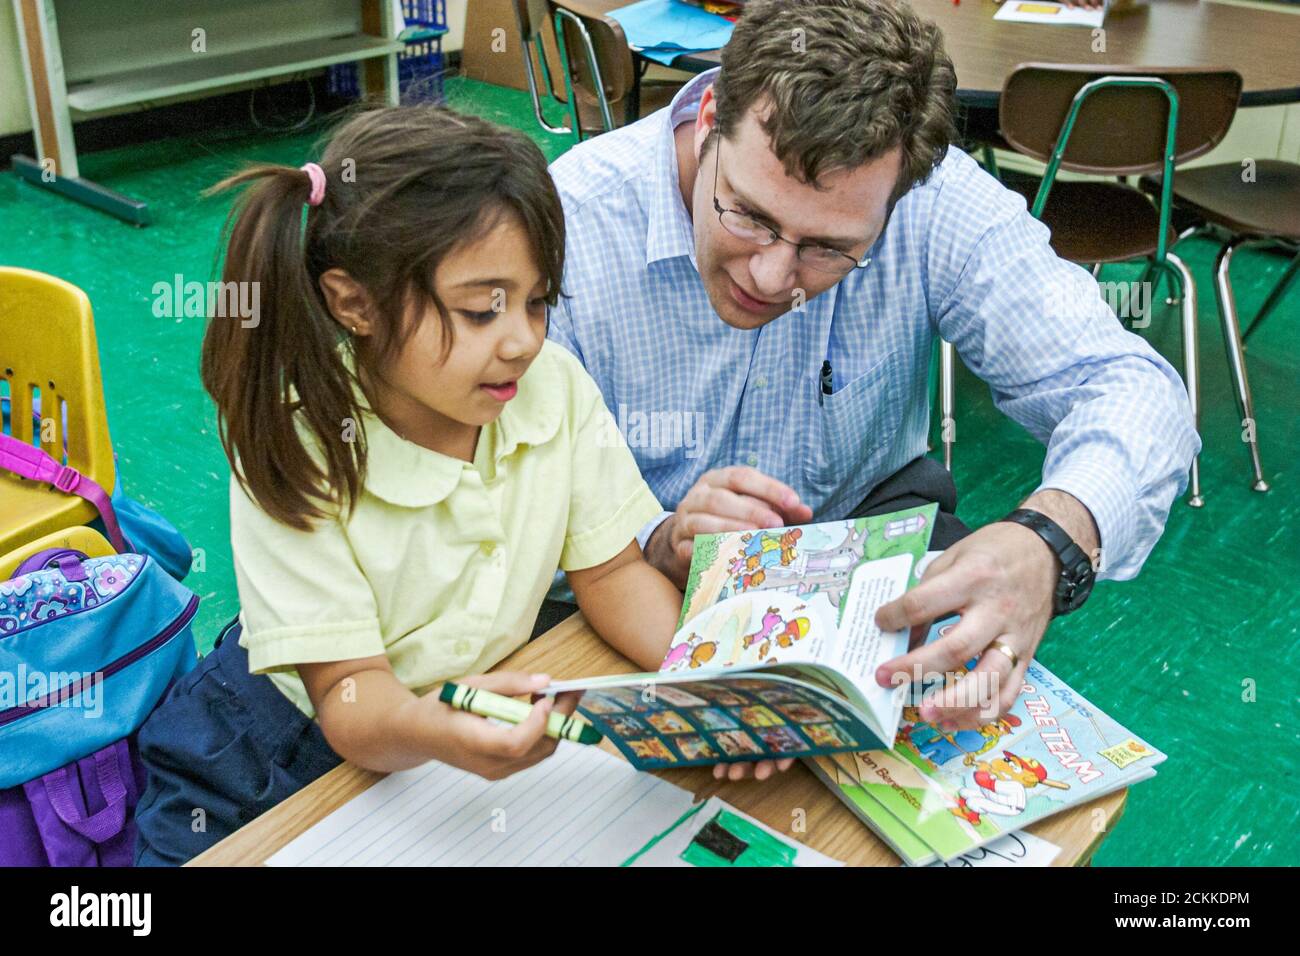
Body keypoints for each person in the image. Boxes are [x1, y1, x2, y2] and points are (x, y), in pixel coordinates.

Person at [545, 0, 1198, 730]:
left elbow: (1130, 387)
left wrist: (1052, 539)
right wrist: (661, 540)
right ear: (706, 122)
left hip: (867, 554)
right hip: (620, 582)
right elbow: (499, 507)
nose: (768, 276)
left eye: (828, 248)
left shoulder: (935, 199)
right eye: (749, 215)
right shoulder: (569, 226)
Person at [134, 106, 697, 865]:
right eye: (480, 310)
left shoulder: (552, 387)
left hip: (446, 735)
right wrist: (441, 730)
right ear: (354, 303)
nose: (523, 340)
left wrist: (709, 687)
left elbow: (613, 573)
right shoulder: (297, 446)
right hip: (270, 760)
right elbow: (350, 696)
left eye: (538, 302)